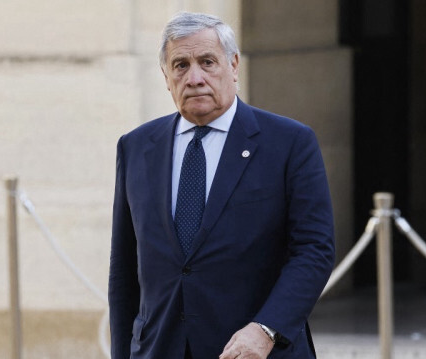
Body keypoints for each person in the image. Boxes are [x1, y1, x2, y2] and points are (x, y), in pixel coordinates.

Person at [108, 11, 335, 359]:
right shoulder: (137, 146)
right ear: (166, 77)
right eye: (180, 65)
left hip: (256, 351)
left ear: (233, 66)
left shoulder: (289, 143)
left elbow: (314, 251)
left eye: (207, 62)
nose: (194, 77)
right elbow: (124, 270)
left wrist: (266, 329)